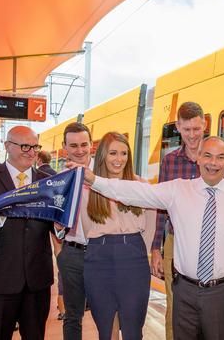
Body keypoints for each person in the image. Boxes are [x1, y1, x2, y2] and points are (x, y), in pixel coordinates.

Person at [78, 136, 224, 340]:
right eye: (208, 156)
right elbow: (133, 191)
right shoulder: (177, 190)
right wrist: (94, 180)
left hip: (221, 292)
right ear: (198, 158)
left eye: (221, 157)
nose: (213, 163)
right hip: (184, 292)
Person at [0, 125, 61, 340]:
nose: (31, 151)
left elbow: (57, 227)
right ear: (7, 146)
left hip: (37, 280)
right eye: (24, 145)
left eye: (35, 146)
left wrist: (62, 229)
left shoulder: (49, 182)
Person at [150, 102, 224, 340]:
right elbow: (161, 206)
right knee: (175, 308)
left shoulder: (218, 158)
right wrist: (156, 248)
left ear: (204, 124)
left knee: (212, 309)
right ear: (178, 127)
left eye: (196, 129)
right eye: (186, 129)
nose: (192, 135)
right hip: (176, 242)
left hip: (214, 242)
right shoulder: (169, 162)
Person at [76, 132, 151, 339]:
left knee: (133, 329)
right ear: (102, 156)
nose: (119, 159)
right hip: (98, 259)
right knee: (106, 329)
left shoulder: (141, 186)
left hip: (134, 260)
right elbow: (87, 227)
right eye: (113, 153)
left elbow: (150, 226)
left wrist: (137, 249)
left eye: (124, 153)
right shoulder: (87, 188)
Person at [56, 122, 93, 340]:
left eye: (84, 144)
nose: (80, 151)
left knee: (106, 312)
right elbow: (56, 225)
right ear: (64, 147)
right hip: (72, 253)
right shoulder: (59, 181)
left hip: (102, 252)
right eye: (74, 146)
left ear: (91, 144)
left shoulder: (105, 176)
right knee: (72, 315)